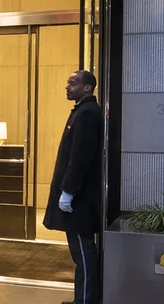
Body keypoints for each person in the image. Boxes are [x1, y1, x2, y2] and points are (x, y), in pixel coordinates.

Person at [43, 70, 104, 304]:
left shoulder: (88, 113)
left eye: (73, 83)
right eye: (68, 82)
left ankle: (87, 301)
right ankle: (83, 299)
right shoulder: (82, 110)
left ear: (88, 87)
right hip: (78, 197)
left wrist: (68, 192)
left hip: (81, 199)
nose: (67, 86)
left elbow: (80, 157)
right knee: (80, 252)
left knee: (84, 252)